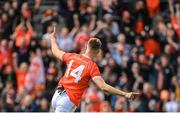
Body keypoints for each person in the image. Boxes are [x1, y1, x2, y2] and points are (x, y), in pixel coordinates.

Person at [50, 26, 140, 112]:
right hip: (68, 100)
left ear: (86, 46)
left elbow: (55, 51)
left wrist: (53, 39)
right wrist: (125, 94)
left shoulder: (72, 56)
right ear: (97, 52)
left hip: (57, 95)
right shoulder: (92, 66)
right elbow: (104, 87)